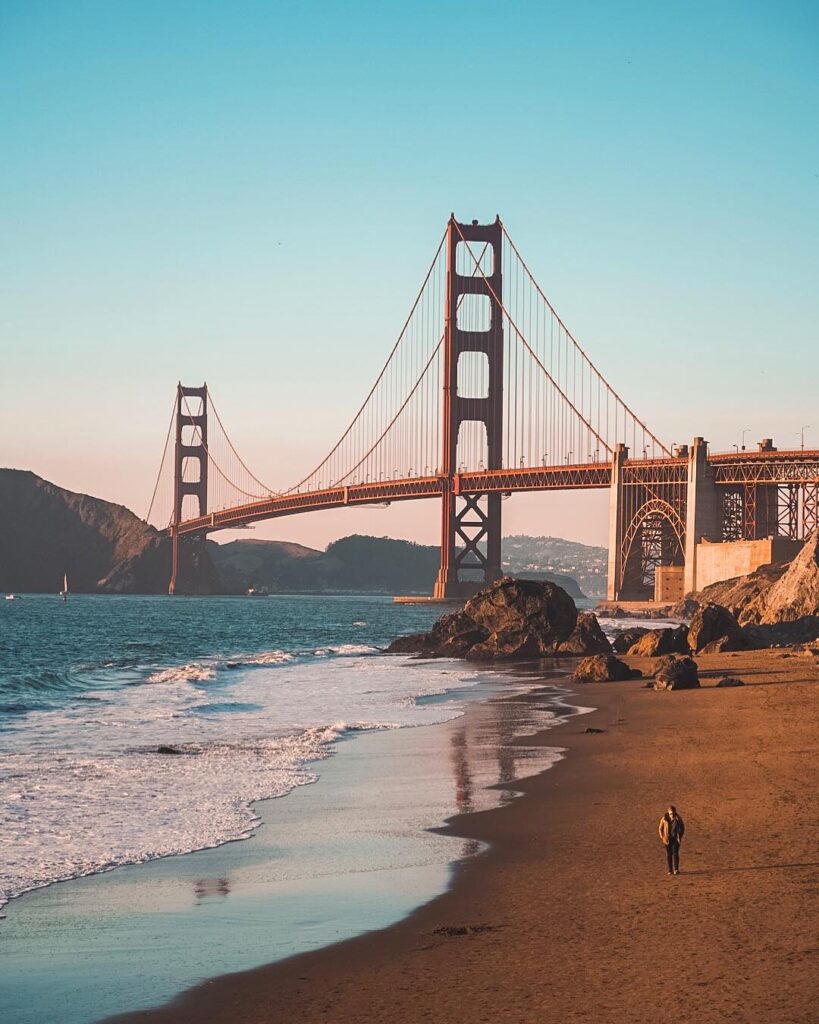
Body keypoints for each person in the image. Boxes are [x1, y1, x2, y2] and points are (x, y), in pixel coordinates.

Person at [658, 805, 685, 875]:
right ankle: (670, 870)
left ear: (675, 812)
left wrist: (680, 836)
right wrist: (662, 836)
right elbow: (660, 828)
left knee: (675, 853)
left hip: (676, 839)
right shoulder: (664, 819)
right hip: (667, 839)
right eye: (670, 814)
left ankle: (676, 869)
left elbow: (682, 827)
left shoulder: (678, 818)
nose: (672, 815)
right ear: (668, 812)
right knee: (669, 854)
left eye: (673, 813)